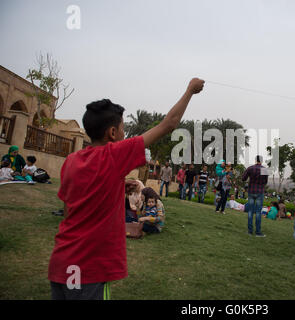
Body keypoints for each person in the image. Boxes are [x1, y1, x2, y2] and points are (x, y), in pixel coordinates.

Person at [48, 78, 204, 300]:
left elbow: (70, 206)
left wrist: (116, 186)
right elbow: (169, 123)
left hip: (61, 262)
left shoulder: (72, 160)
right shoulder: (114, 154)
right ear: (112, 132)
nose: (124, 135)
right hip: (87, 268)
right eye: (123, 129)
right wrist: (190, 90)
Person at [242, 155, 268, 237]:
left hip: (251, 191)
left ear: (255, 160)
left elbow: (243, 178)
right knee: (258, 212)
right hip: (260, 192)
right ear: (262, 161)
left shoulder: (250, 168)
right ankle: (258, 232)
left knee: (250, 211)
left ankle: (250, 231)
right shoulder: (264, 169)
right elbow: (265, 182)